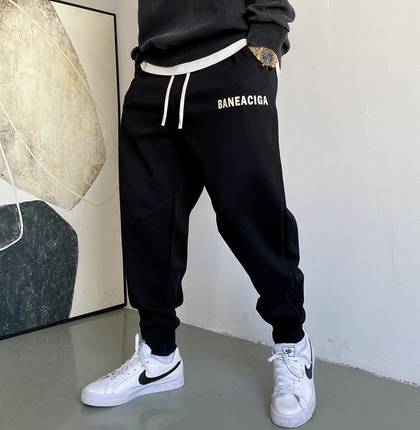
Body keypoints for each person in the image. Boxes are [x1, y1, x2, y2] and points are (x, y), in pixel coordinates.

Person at [81, 1, 316, 427]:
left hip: (231, 59)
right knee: (148, 221)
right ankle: (159, 356)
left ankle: (292, 343)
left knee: (251, 216)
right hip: (154, 73)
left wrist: (266, 40)